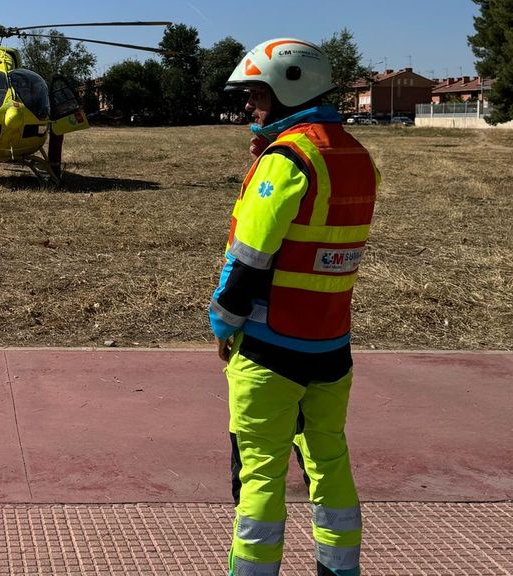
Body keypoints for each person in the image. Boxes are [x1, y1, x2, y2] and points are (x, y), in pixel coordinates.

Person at [209, 38, 380, 576]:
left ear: (289, 89)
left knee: (260, 475)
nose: (249, 106)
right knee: (329, 462)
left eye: (256, 94)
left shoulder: (289, 159)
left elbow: (249, 258)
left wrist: (223, 322)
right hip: (332, 346)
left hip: (269, 347)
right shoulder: (356, 155)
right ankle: (339, 568)